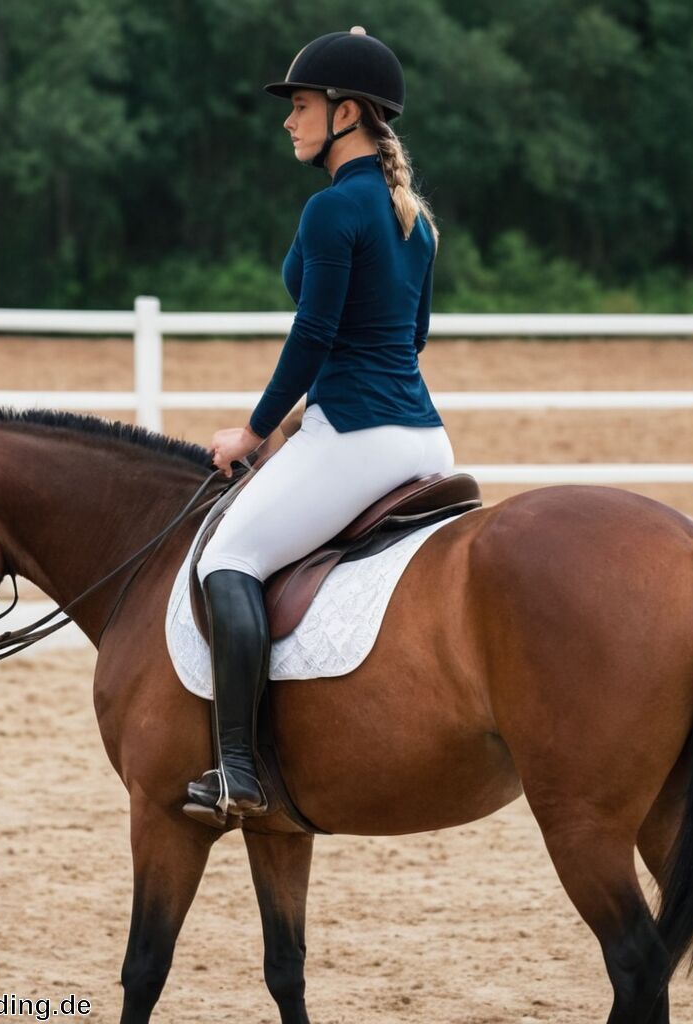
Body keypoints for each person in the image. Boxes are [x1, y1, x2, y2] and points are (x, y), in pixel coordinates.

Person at [184, 27, 455, 828]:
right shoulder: (419, 221)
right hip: (425, 438)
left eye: (300, 105)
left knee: (227, 558)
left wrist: (254, 430)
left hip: (359, 439)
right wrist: (312, 413)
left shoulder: (333, 208)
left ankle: (237, 769)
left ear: (346, 112)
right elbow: (408, 342)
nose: (288, 120)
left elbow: (316, 334)